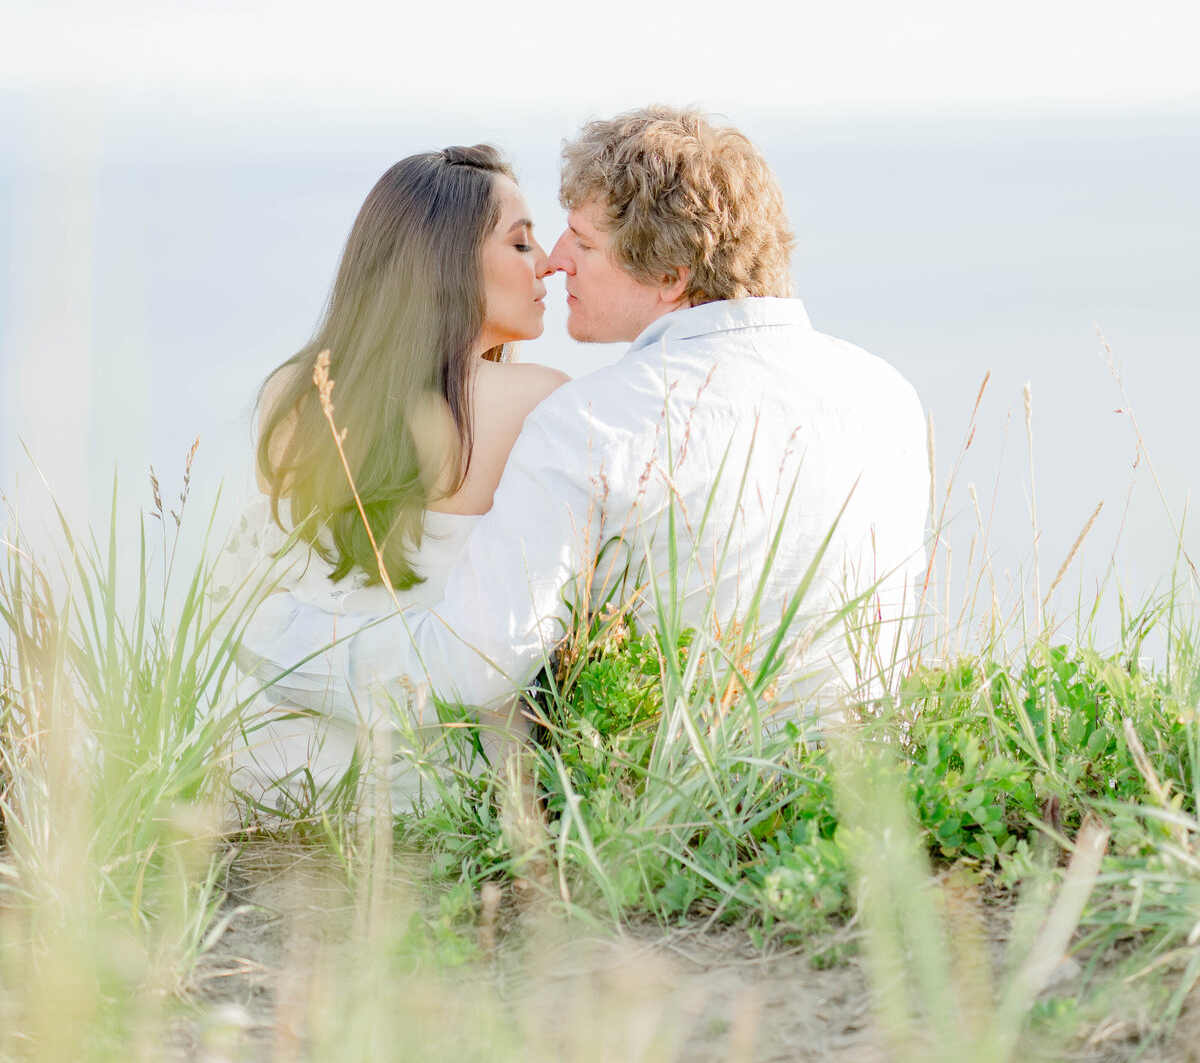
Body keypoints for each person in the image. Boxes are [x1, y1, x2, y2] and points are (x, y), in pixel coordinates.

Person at [237, 107, 929, 752]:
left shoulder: (597, 420)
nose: (557, 258)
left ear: (670, 275)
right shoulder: (890, 393)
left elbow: (476, 663)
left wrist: (276, 645)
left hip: (678, 803)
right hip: (867, 783)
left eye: (584, 242)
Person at [217, 144, 566, 811]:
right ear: (451, 262)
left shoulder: (291, 394)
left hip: (279, 774)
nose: (547, 261)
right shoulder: (539, 401)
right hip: (449, 788)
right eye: (521, 244)